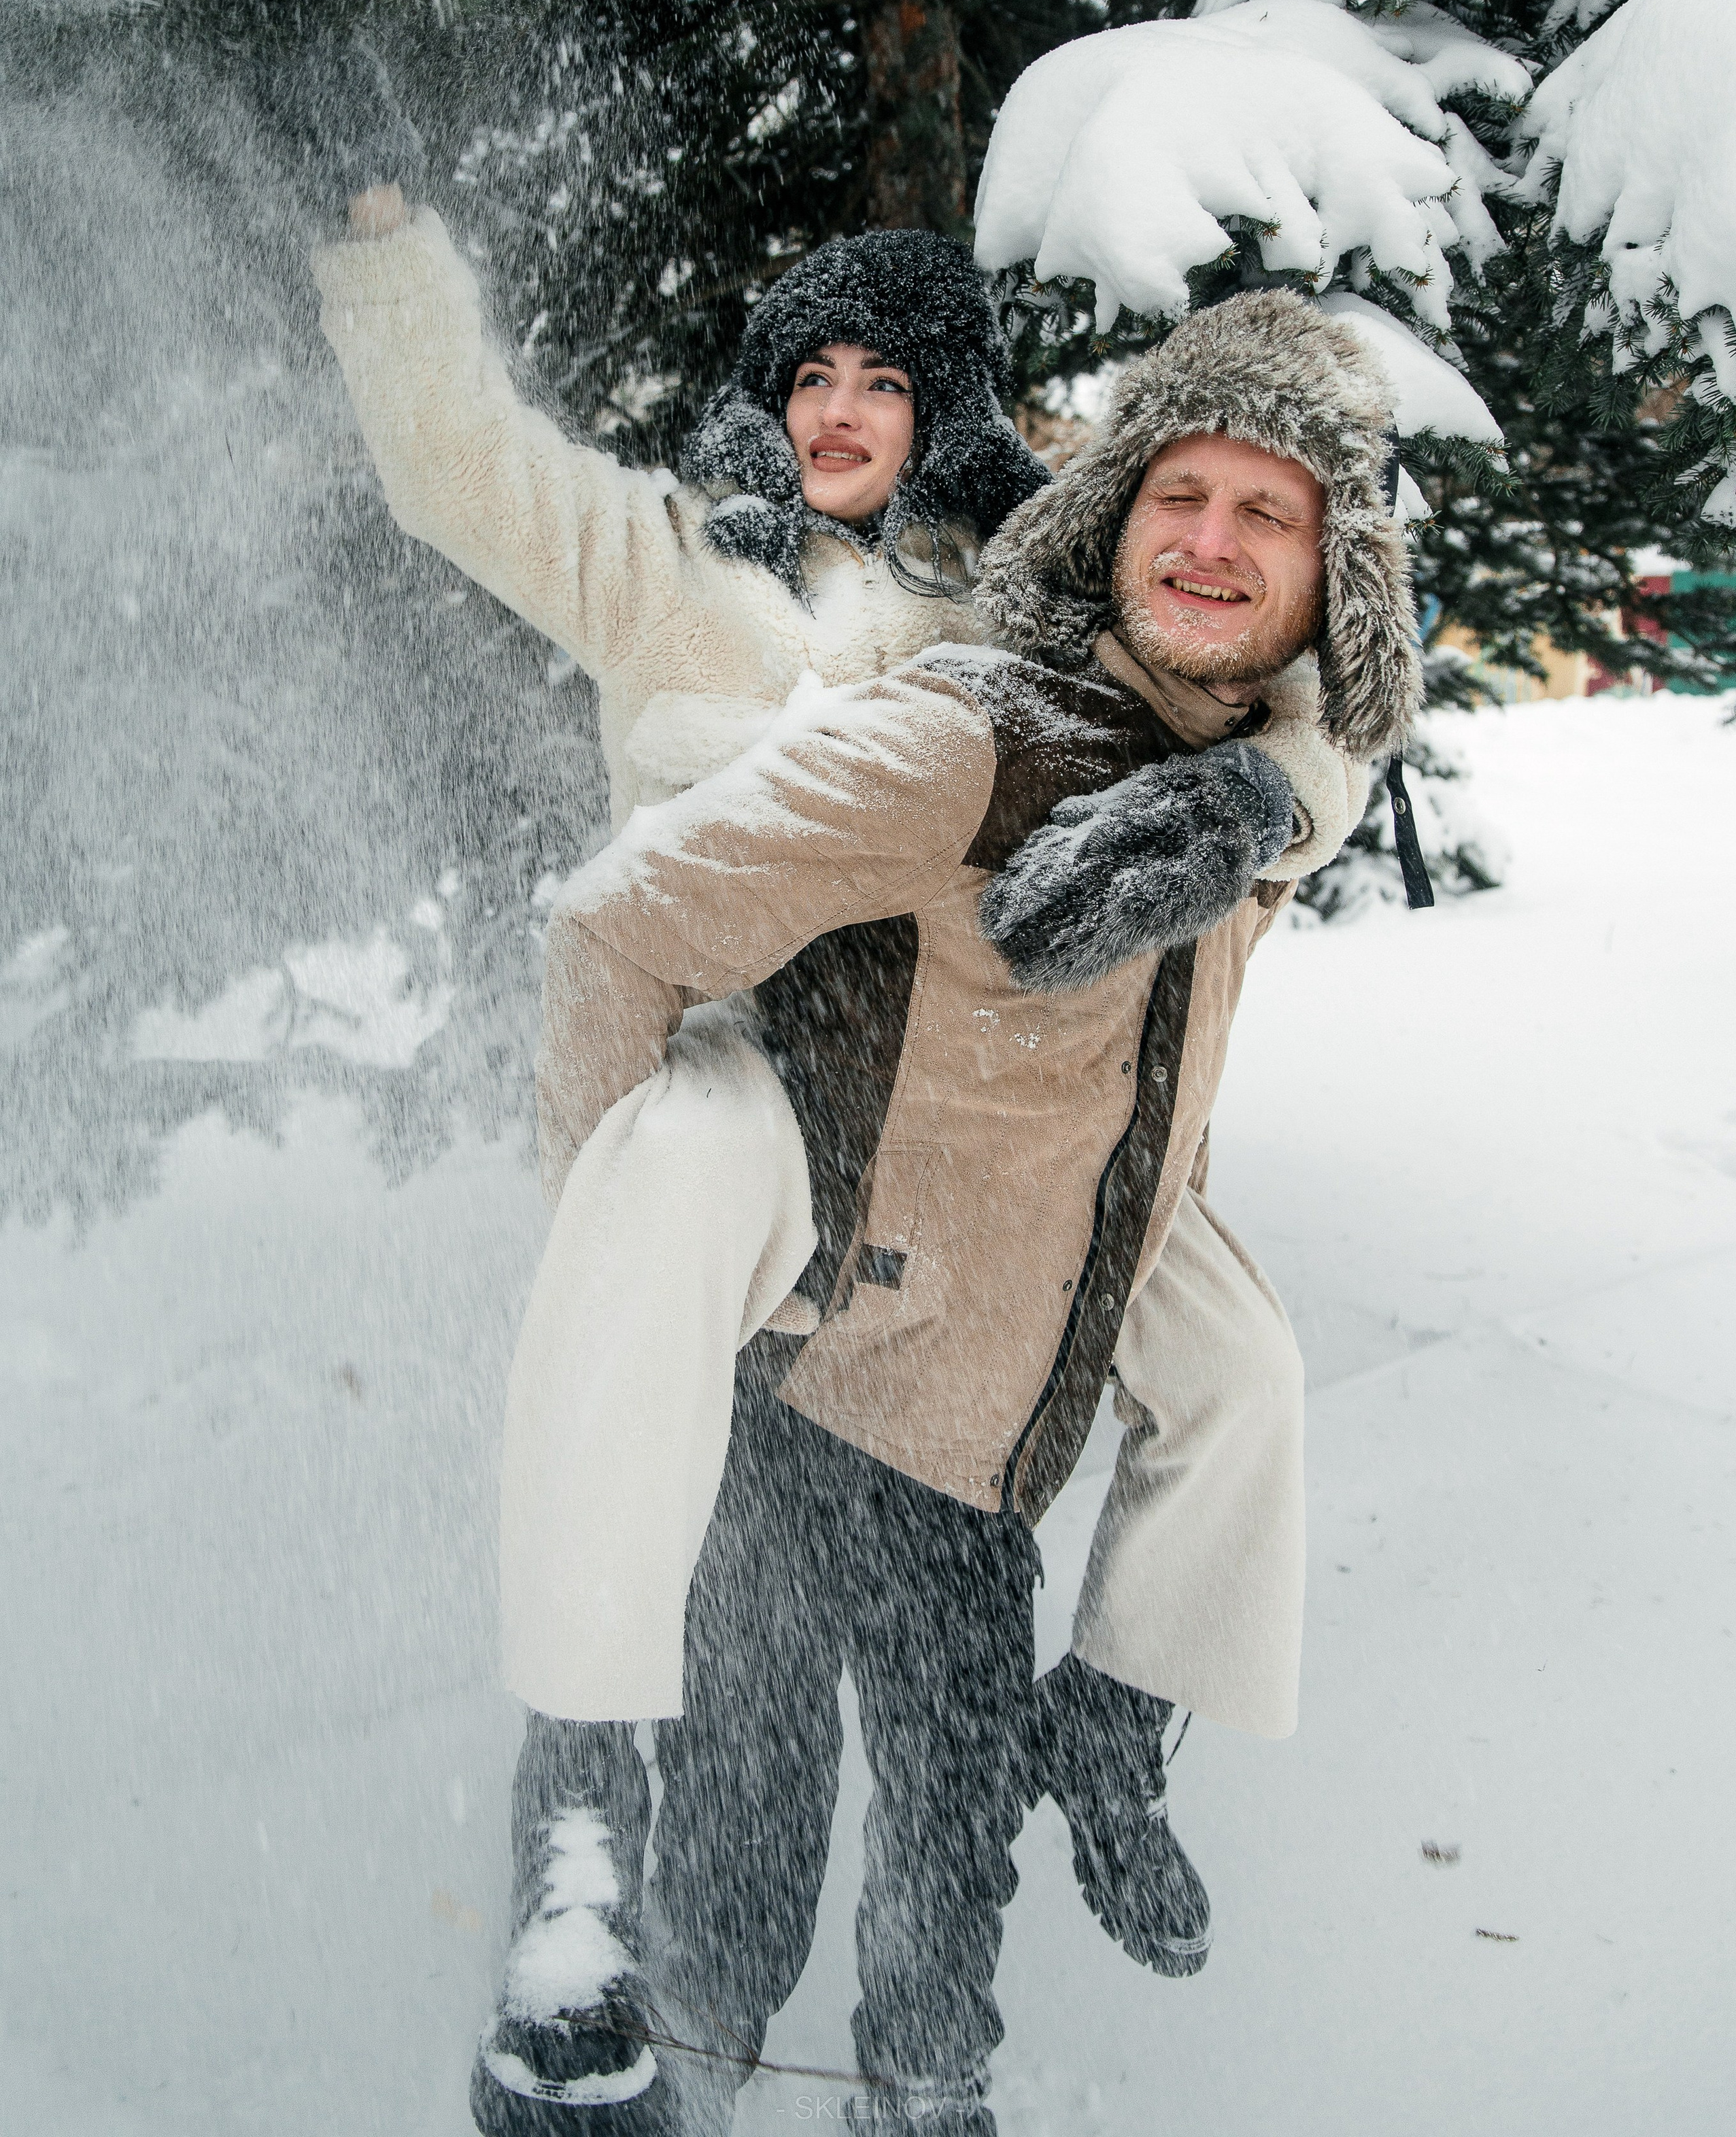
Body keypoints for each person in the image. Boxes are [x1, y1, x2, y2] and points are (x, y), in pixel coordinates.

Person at [528, 288, 1420, 2136]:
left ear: (1339, 580)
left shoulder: (1271, 764)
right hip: (800, 1388)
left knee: (951, 1852)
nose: (1214, 541)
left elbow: (1337, 744)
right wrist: (639, 1242)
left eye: (1273, 514)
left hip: (990, 1411)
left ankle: (985, 1979)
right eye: (1183, 491)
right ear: (1111, 512)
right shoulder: (967, 735)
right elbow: (620, 924)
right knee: (748, 1843)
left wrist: (1281, 795)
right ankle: (651, 2029)